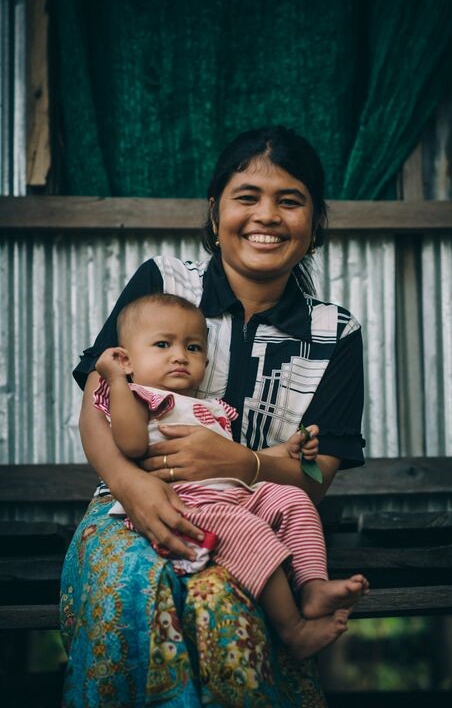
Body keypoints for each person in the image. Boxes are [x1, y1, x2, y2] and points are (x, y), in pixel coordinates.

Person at [61, 125, 366, 708]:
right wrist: (132, 486)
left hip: (252, 520)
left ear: (316, 218)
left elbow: (319, 475)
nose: (267, 216)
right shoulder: (163, 283)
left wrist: (244, 462)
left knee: (223, 602)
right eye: (246, 197)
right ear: (215, 209)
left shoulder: (334, 333)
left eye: (290, 200)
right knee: (138, 586)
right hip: (129, 511)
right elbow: (99, 399)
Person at [94, 292, 368, 662]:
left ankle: (314, 585)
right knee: (249, 529)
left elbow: (237, 456)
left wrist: (284, 452)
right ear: (126, 358)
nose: (179, 355)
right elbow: (128, 444)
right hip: (184, 503)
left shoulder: (207, 408)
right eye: (162, 345)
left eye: (192, 347)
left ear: (206, 360)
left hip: (235, 493)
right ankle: (293, 630)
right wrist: (116, 381)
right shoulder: (138, 397)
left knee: (294, 499)